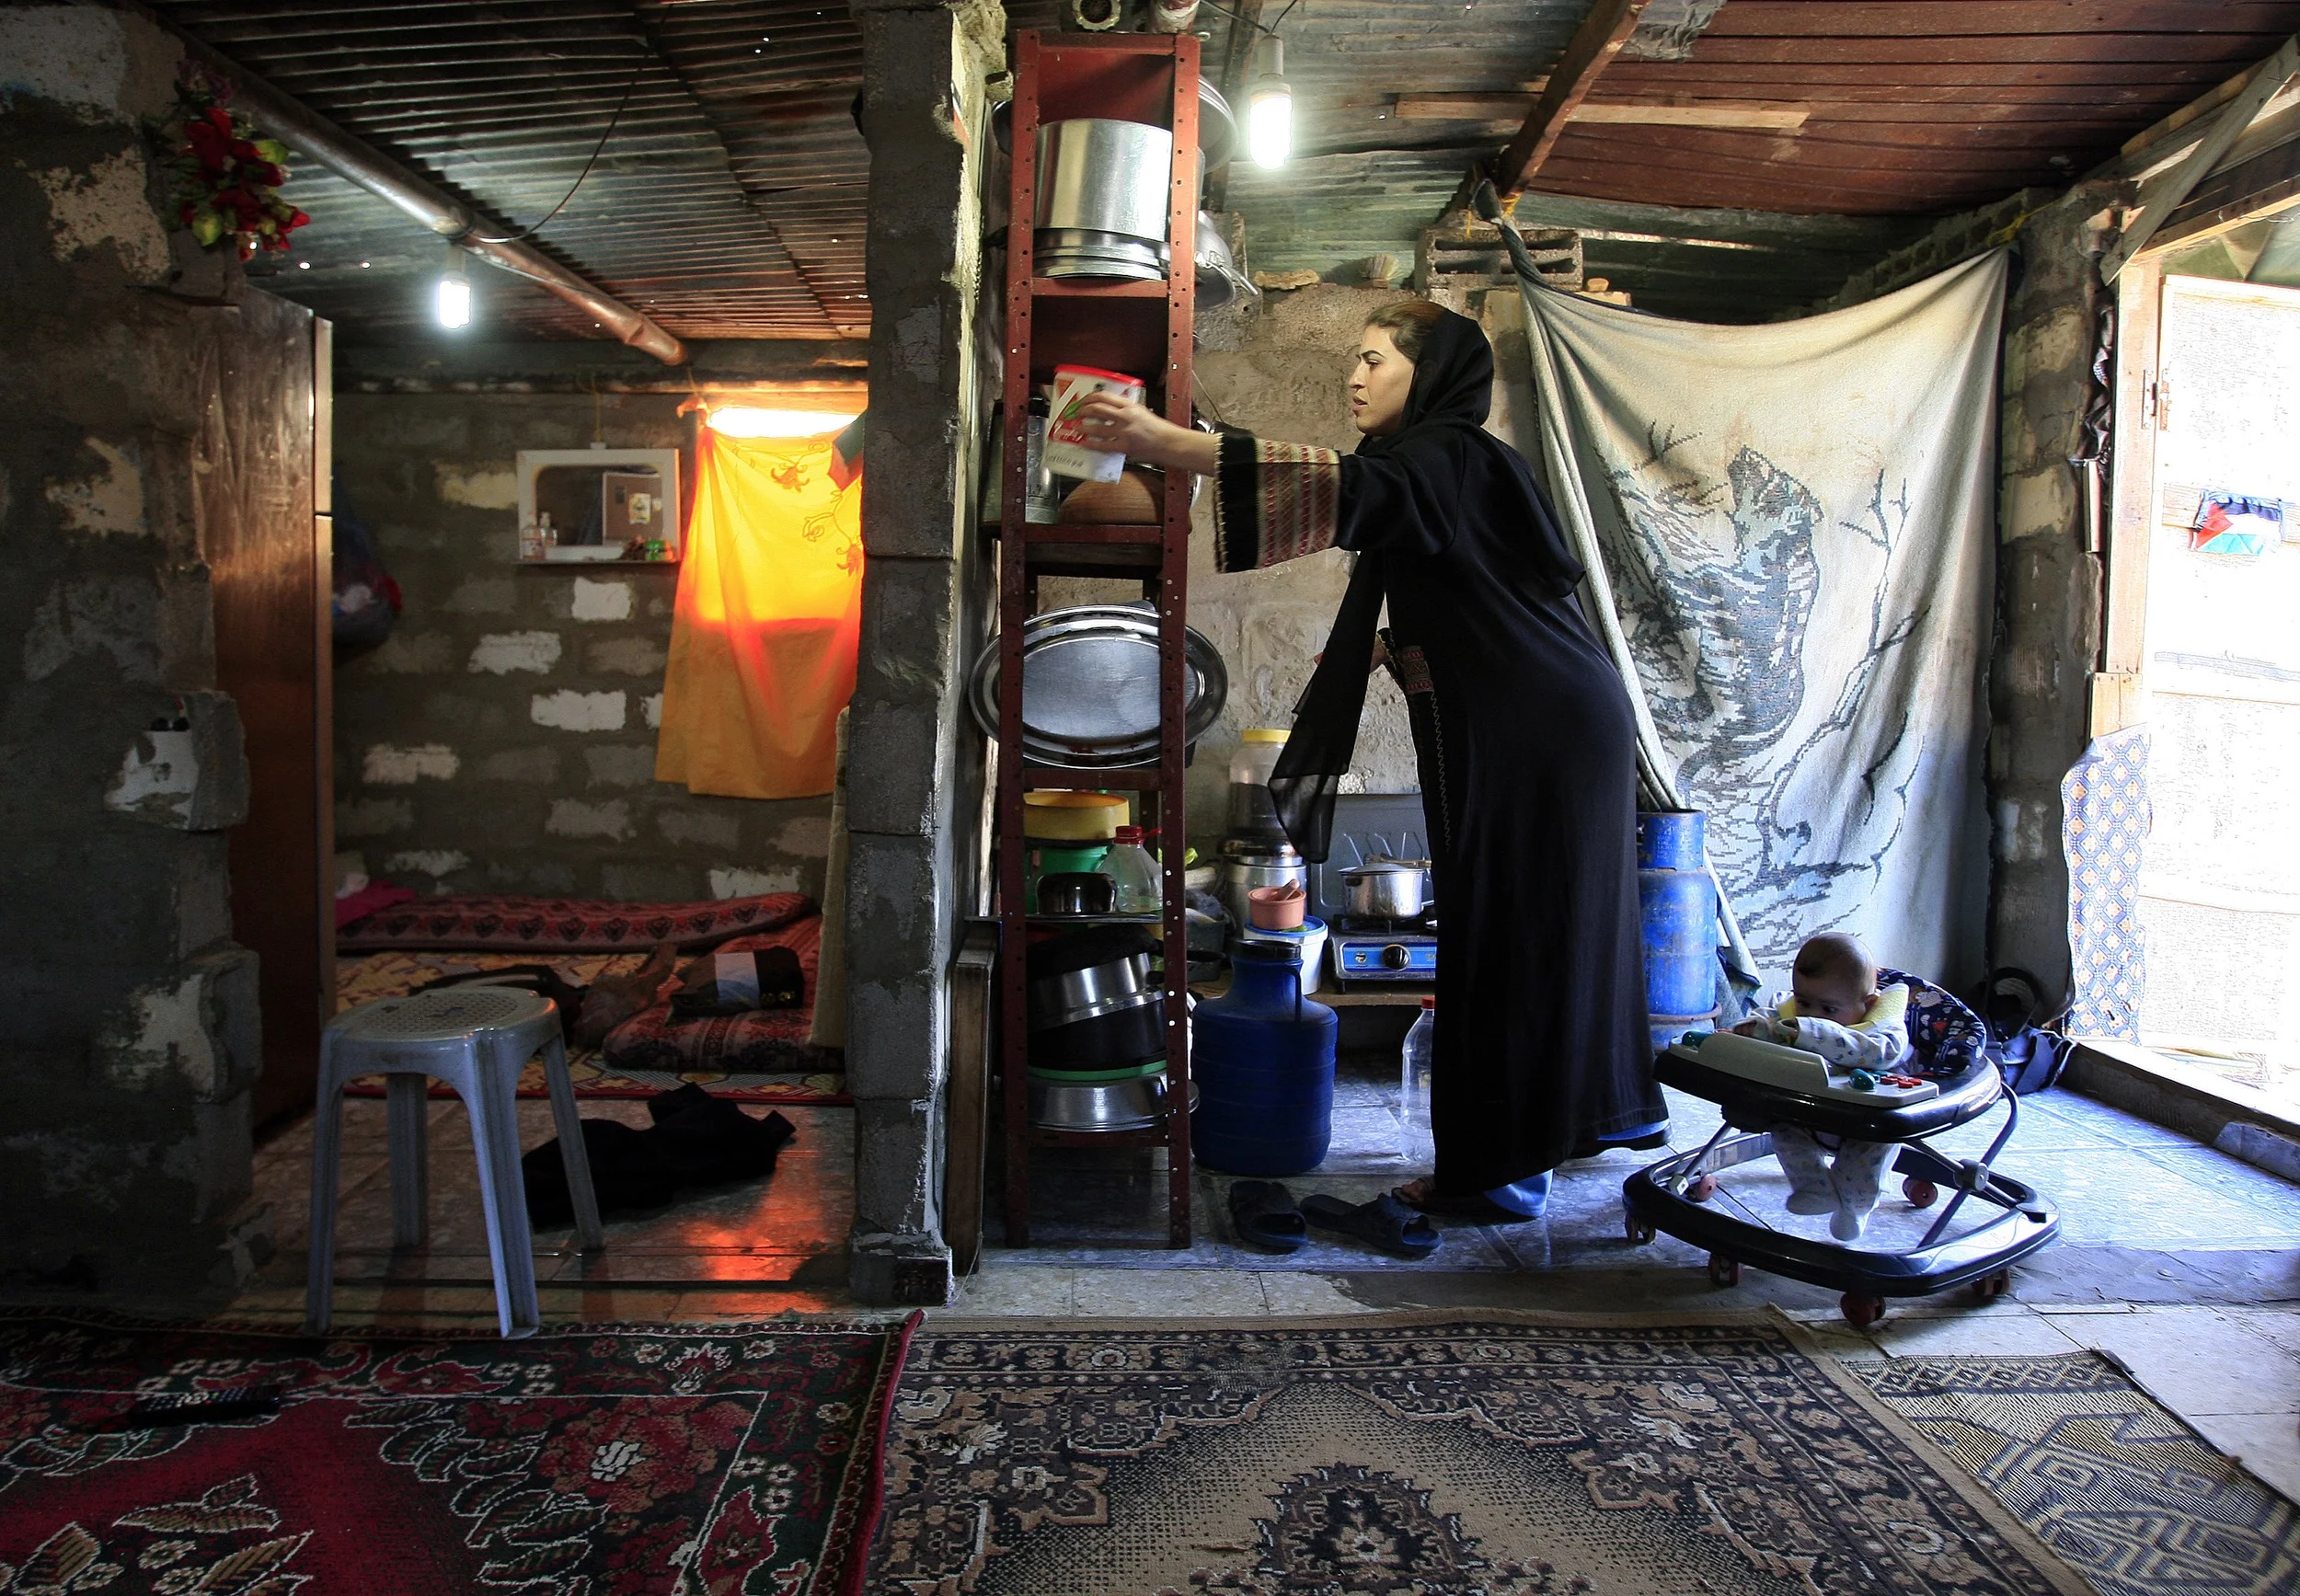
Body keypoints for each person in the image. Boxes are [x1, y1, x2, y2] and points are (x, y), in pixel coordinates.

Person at [1075, 300, 1666, 1224]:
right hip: (1537, 719)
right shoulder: (1439, 466)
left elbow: (1351, 491)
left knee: (1514, 934)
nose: (1354, 377)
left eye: (1375, 360)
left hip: (1537, 728)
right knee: (1518, 931)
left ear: (1427, 379)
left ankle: (1500, 1164)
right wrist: (1400, 646)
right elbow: (1467, 582)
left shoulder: (1446, 456)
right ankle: (1517, 1154)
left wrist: (1169, 442)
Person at [1733, 932, 1911, 1241]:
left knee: (1864, 1163)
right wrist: (1751, 1031)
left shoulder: (1884, 1030)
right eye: (1804, 1002)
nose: (1811, 1014)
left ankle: (1855, 1209)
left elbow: (1879, 1054)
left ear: (1867, 1004)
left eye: (1828, 1010)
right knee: (1784, 1131)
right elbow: (1769, 1018)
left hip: (1862, 1120)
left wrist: (1812, 1031)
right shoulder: (1792, 1013)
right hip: (1804, 1110)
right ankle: (1813, 1187)